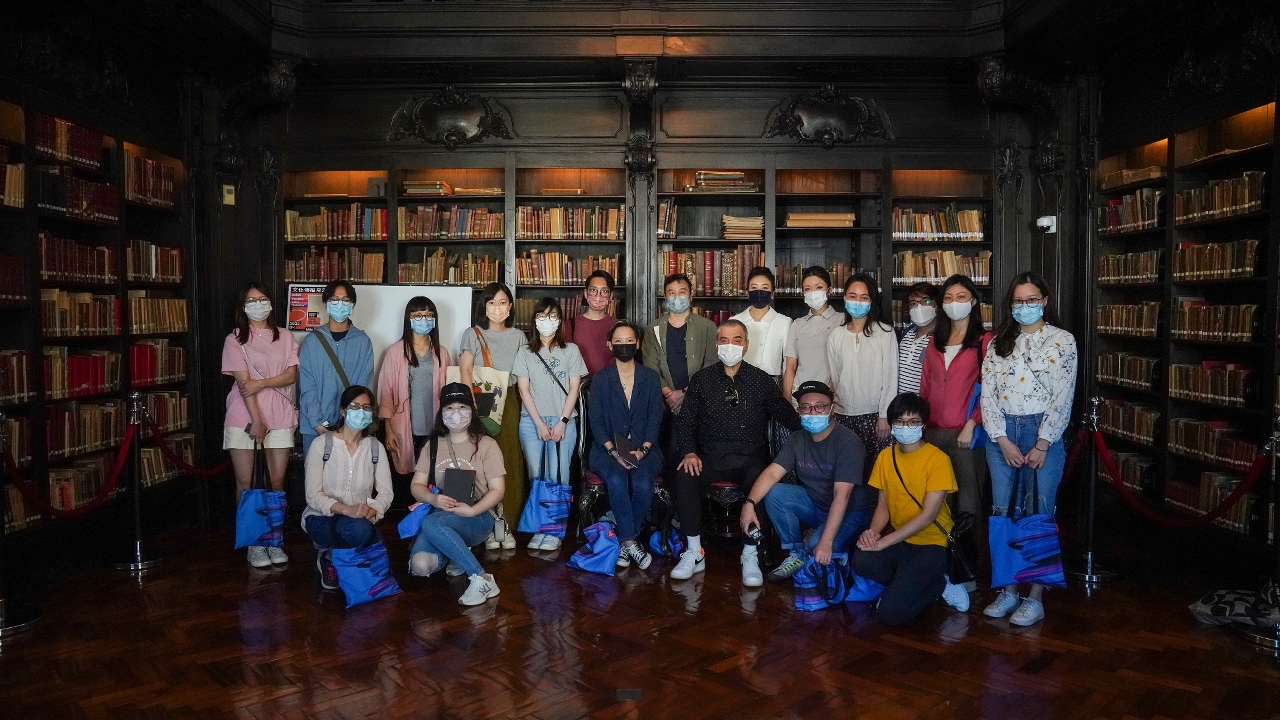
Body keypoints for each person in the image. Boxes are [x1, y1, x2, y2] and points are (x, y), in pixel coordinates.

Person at [670, 320, 800, 586]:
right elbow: (686, 422)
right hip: (709, 455)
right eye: (724, 340)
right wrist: (689, 452)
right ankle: (694, 551)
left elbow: (786, 415)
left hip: (749, 456)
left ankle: (750, 553)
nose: (730, 346)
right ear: (717, 344)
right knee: (685, 475)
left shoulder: (761, 379)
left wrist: (813, 420)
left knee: (759, 480)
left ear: (746, 345)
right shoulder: (702, 379)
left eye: (737, 340)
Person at [980, 272, 1078, 627]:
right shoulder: (998, 342)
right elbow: (988, 393)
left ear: (1044, 301)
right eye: (1018, 301)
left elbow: (1064, 394)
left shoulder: (1062, 340)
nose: (1025, 306)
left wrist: (1043, 442)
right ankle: (1007, 590)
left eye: (1032, 299)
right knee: (1002, 512)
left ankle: (1035, 596)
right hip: (1003, 433)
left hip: (1042, 432)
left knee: (1039, 512)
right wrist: (1001, 439)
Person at [739, 380, 876, 582]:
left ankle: (835, 551)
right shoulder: (797, 439)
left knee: (817, 544)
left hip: (852, 511)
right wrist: (749, 504)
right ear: (799, 410)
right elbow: (772, 473)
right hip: (818, 505)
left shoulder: (848, 442)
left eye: (820, 406)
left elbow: (842, 495)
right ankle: (797, 553)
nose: (813, 412)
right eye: (806, 407)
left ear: (832, 409)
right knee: (775, 493)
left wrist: (826, 542)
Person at [852, 393, 969, 626]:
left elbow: (928, 516)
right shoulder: (885, 457)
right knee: (862, 560)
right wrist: (873, 533)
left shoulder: (937, 459)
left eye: (913, 422)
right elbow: (883, 505)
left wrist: (884, 542)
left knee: (890, 614)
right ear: (892, 423)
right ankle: (911, 583)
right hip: (902, 540)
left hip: (932, 543)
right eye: (900, 421)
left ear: (923, 425)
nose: (906, 427)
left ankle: (939, 583)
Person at [408, 383, 507, 607]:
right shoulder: (432, 445)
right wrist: (433, 499)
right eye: (449, 408)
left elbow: (498, 490)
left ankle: (481, 578)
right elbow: (416, 486)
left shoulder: (487, 445)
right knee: (421, 565)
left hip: (477, 516)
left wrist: (472, 510)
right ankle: (458, 553)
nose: (456, 414)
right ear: (441, 412)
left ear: (472, 410)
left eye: (462, 407)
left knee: (431, 523)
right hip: (441, 513)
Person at [221, 283, 299, 568]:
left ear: (271, 302)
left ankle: (273, 539)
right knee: (247, 483)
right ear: (243, 306)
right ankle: (254, 542)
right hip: (244, 416)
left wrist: (262, 383)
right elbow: (244, 385)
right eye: (251, 300)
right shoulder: (234, 339)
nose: (257, 304)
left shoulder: (286, 336)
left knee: (276, 482)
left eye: (262, 298)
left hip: (280, 414)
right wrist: (256, 420)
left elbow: (290, 376)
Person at [512, 297, 588, 551]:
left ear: (560, 320)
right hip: (532, 422)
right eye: (542, 316)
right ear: (534, 320)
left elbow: (574, 388)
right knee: (537, 475)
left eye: (553, 316)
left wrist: (563, 421)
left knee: (559, 474)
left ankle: (555, 530)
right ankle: (539, 527)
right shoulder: (525, 351)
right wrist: (539, 424)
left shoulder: (571, 350)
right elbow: (523, 390)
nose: (547, 321)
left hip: (562, 420)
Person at [587, 321, 664, 570]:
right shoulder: (601, 379)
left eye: (629, 341)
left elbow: (655, 417)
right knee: (617, 479)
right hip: (606, 450)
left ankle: (623, 541)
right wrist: (613, 451)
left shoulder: (650, 378)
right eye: (618, 341)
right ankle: (630, 542)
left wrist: (643, 450)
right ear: (610, 345)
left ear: (637, 344)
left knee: (643, 483)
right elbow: (596, 421)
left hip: (646, 448)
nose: (624, 345)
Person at [302, 384, 393, 591]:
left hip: (359, 520)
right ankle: (334, 554)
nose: (361, 411)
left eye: (366, 407)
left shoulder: (375, 448)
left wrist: (373, 510)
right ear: (343, 411)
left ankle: (332, 556)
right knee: (357, 532)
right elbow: (312, 495)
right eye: (355, 406)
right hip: (322, 517)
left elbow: (386, 493)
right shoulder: (322, 444)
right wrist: (346, 509)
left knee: (359, 529)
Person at [919, 274, 992, 519]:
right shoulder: (934, 342)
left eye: (961, 297)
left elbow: (991, 390)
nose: (954, 303)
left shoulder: (985, 341)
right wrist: (922, 424)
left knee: (968, 502)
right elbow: (925, 385)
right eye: (948, 298)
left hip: (966, 433)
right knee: (937, 501)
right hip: (933, 432)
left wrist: (972, 423)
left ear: (973, 302)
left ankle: (969, 545)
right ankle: (941, 544)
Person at [458, 282, 525, 545]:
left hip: (508, 401)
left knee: (507, 460)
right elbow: (465, 369)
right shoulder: (473, 333)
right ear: (484, 307)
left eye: (502, 302)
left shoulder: (519, 336)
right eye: (492, 302)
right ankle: (480, 525)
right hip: (479, 399)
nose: (497, 308)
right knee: (477, 460)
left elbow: (523, 375)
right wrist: (470, 405)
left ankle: (504, 523)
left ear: (510, 306)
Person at [377, 296, 450, 506]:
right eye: (417, 315)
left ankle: (425, 515)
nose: (423, 320)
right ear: (408, 319)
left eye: (428, 315)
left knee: (431, 475)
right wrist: (388, 429)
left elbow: (448, 392)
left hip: (434, 426)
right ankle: (405, 518)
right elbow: (386, 392)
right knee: (405, 476)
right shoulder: (395, 351)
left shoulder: (441, 353)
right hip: (403, 427)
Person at [644, 273, 718, 477]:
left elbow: (711, 365)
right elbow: (650, 366)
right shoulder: (653, 329)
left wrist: (685, 393)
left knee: (690, 454)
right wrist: (669, 394)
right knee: (664, 451)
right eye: (671, 293)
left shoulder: (707, 327)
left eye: (682, 292)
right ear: (665, 297)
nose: (677, 297)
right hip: (663, 401)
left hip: (697, 401)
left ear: (691, 296)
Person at [827, 272, 898, 467]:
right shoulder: (836, 335)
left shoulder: (885, 333)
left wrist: (884, 415)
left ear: (872, 301)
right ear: (844, 298)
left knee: (876, 470)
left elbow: (890, 377)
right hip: (843, 415)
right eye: (852, 296)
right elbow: (835, 376)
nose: (857, 302)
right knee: (847, 469)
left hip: (875, 416)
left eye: (864, 297)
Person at [298, 280, 374, 457]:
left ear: (352, 304)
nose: (340, 304)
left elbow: (363, 387)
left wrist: (350, 424)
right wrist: (317, 423)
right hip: (315, 429)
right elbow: (307, 386)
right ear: (325, 304)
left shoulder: (363, 342)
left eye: (345, 300)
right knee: (317, 474)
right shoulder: (312, 341)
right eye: (334, 299)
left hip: (352, 428)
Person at [782, 265, 843, 404]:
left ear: (829, 290)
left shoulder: (842, 321)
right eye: (807, 289)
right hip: (799, 396)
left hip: (831, 397)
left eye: (819, 287)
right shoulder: (797, 324)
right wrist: (787, 401)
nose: (813, 293)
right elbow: (790, 367)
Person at [731, 267, 791, 379]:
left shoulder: (784, 322)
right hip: (740, 380)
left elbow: (788, 362)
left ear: (772, 293)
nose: (759, 292)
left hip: (772, 381)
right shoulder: (735, 321)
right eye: (754, 288)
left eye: (765, 288)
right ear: (747, 292)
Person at [565, 270, 618, 378]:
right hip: (578, 385)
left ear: (611, 295)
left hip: (610, 384)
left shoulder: (618, 326)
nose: (598, 296)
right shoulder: (570, 325)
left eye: (604, 291)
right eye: (593, 290)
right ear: (585, 293)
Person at [897, 282, 941, 394]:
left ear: (937, 304)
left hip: (925, 403)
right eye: (913, 303)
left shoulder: (943, 338)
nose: (919, 307)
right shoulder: (906, 334)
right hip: (901, 403)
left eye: (926, 301)